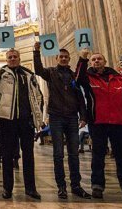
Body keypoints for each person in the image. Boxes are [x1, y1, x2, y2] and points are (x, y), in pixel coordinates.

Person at [76, 48, 122, 201]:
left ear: (105, 62)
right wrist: (82, 59)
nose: (96, 61)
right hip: (98, 122)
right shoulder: (88, 78)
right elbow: (78, 78)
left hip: (119, 122)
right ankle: (97, 186)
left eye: (99, 59)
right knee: (98, 155)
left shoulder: (119, 78)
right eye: (93, 60)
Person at [0, 39, 44, 200]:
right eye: (10, 57)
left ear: (19, 58)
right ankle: (7, 188)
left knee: (28, 155)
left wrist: (38, 117)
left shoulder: (28, 74)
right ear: (6, 59)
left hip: (26, 121)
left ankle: (30, 188)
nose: (12, 59)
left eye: (14, 57)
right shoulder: (2, 73)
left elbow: (38, 96)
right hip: (7, 120)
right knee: (7, 155)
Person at [33, 45, 91, 199]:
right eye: (61, 56)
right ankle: (61, 187)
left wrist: (83, 116)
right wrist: (36, 52)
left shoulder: (74, 75)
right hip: (56, 117)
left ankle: (76, 185)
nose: (64, 58)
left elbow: (80, 98)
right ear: (56, 58)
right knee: (58, 154)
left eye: (66, 56)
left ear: (69, 59)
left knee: (74, 154)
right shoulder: (51, 73)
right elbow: (38, 70)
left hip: (72, 117)